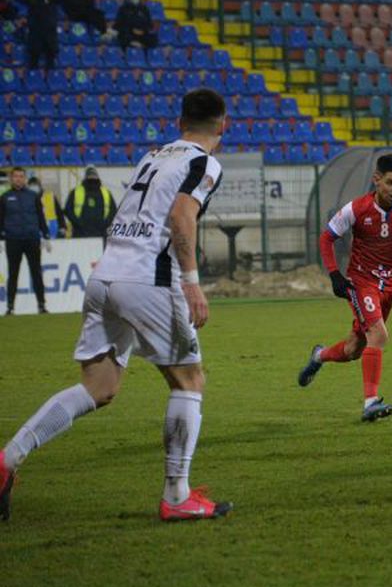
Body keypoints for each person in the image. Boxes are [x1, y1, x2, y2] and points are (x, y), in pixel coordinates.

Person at [0, 88, 231, 522]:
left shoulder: (152, 156)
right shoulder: (205, 162)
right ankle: (177, 497)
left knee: (98, 387)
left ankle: (5, 461)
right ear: (224, 124)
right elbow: (182, 215)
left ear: (180, 122)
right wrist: (192, 283)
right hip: (148, 277)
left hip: (106, 273)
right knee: (189, 381)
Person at [297, 153, 392, 422]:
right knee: (379, 336)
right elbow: (326, 239)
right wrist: (335, 275)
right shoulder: (356, 209)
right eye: (391, 183)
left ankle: (319, 356)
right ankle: (370, 402)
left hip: (389, 285)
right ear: (377, 180)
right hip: (362, 282)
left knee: (353, 350)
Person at [0, 166, 51, 315]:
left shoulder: (33, 196)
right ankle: (10, 307)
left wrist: (46, 235)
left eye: (21, 176)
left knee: (36, 273)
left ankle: (41, 305)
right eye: (15, 176)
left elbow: (40, 216)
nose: (18, 179)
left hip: (32, 239)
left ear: (25, 179)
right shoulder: (4, 197)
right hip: (13, 240)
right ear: (11, 178)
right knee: (13, 273)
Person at [65, 167, 117, 238]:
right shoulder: (76, 192)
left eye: (93, 176)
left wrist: (104, 224)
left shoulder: (106, 193)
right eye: (90, 176)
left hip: (100, 233)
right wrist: (78, 224)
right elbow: (68, 210)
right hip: (80, 233)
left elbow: (113, 212)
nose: (92, 178)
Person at [25, 0, 57, 72]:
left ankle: (50, 79)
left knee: (50, 59)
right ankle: (34, 78)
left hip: (49, 33)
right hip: (36, 32)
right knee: (34, 59)